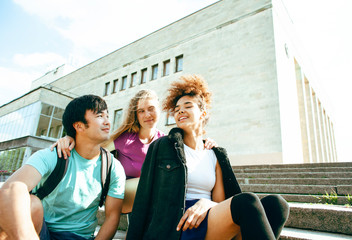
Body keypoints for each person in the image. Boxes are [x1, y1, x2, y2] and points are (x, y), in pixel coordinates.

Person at [127, 75, 290, 240]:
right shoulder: (163, 146)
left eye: (187, 106)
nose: (180, 111)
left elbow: (220, 202)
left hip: (209, 215)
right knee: (246, 202)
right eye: (176, 109)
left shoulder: (214, 154)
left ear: (203, 113)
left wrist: (206, 203)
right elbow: (143, 198)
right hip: (180, 223)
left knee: (277, 205)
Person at [53, 89, 216, 214]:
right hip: (122, 195)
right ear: (136, 115)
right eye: (141, 111)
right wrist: (70, 138)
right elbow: (89, 147)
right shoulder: (124, 139)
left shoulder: (166, 140)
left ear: (159, 110)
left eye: (151, 108)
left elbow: (189, 149)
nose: (147, 115)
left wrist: (206, 143)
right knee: (152, 180)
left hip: (151, 201)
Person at [0, 95, 126, 240]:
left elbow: (112, 217)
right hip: (42, 232)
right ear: (79, 126)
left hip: (82, 237)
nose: (107, 122)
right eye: (100, 116)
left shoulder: (112, 167)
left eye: (107, 116)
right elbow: (12, 188)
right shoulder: (53, 155)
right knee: (30, 203)